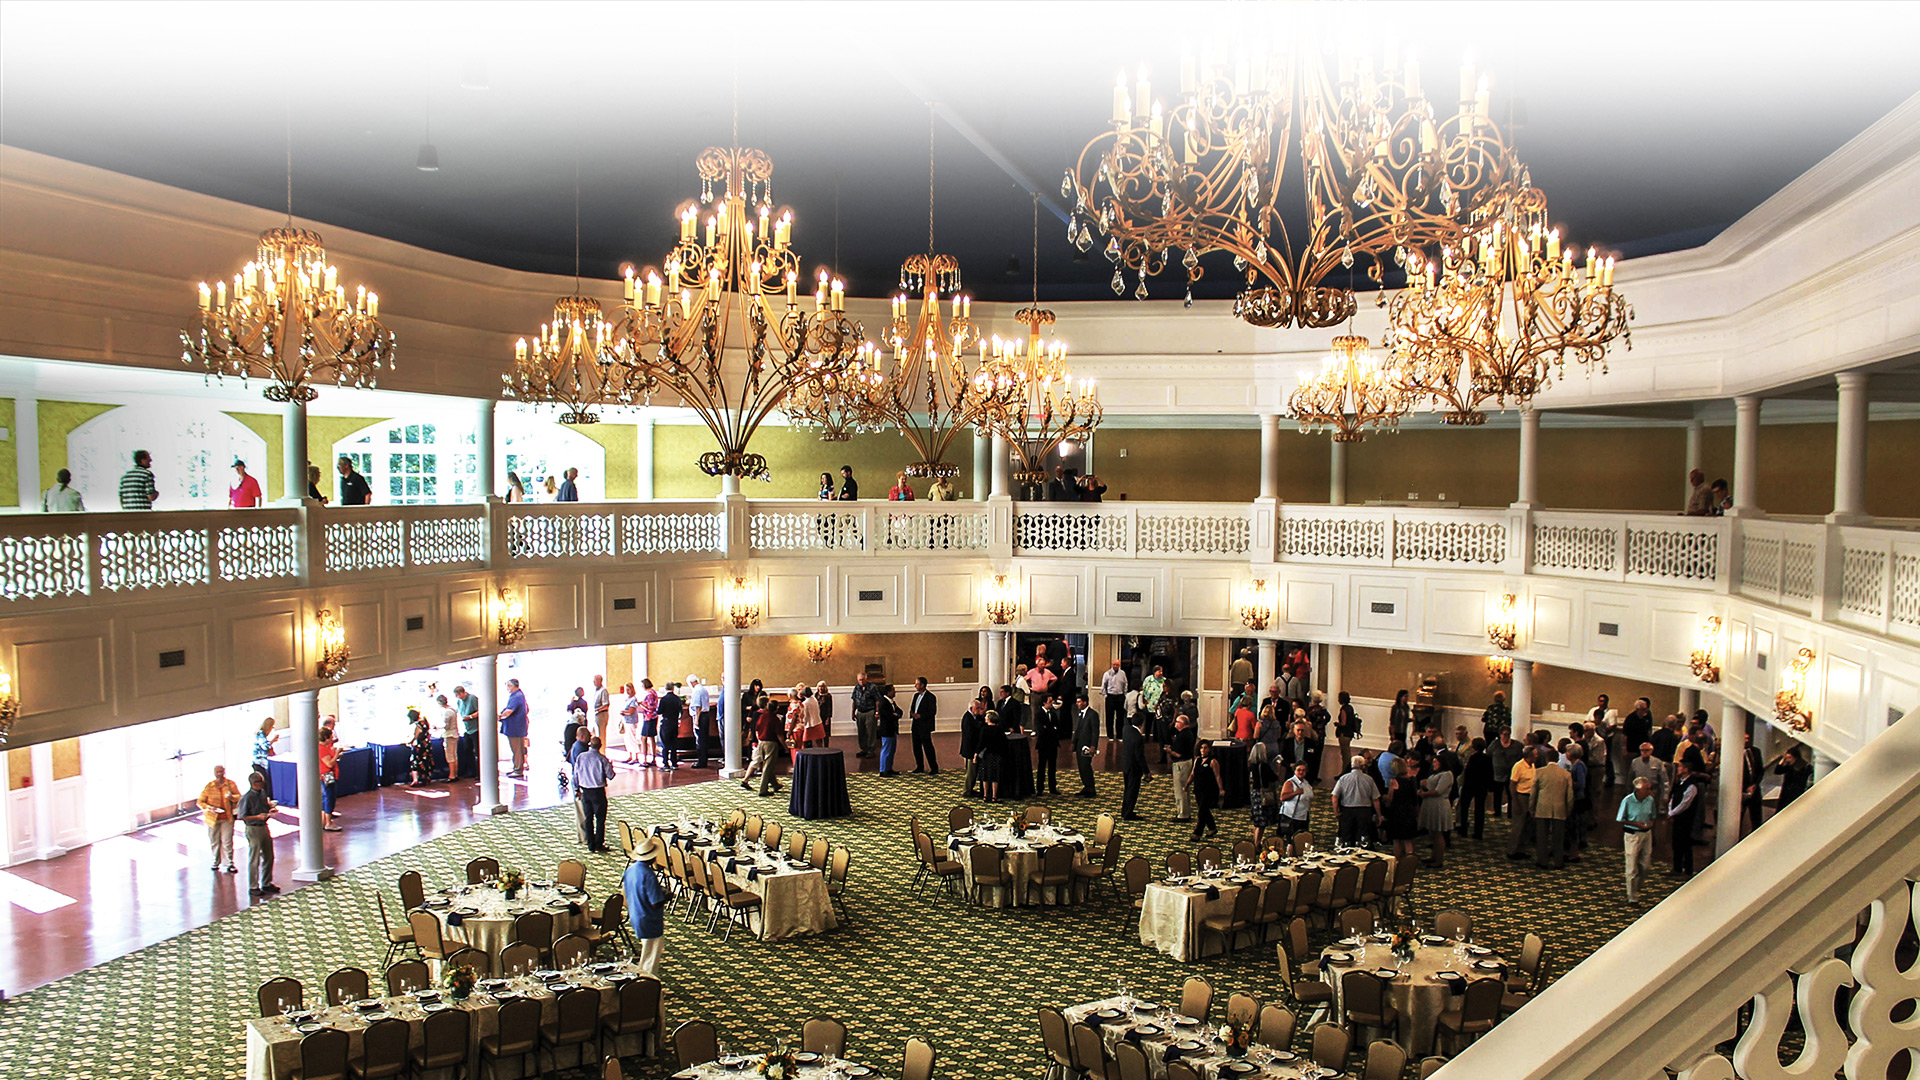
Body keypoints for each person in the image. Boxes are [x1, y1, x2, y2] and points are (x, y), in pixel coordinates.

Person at [623, 836, 670, 976]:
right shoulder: (648, 875)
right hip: (649, 919)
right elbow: (655, 902)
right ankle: (647, 986)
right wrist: (667, 896)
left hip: (636, 914)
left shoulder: (631, 870)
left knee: (646, 953)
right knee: (651, 958)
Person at [238, 772, 279, 898]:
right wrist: (257, 816)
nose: (262, 784)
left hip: (263, 827)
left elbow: (265, 806)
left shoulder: (262, 793)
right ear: (254, 783)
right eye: (260, 782)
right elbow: (243, 816)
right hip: (253, 828)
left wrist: (270, 809)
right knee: (254, 857)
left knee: (269, 855)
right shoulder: (247, 798)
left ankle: (266, 882)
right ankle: (253, 886)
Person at [1531, 748, 1574, 869]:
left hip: (1542, 807)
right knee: (1558, 837)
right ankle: (1558, 861)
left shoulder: (1539, 772)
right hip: (1560, 808)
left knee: (1542, 836)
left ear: (1546, 759)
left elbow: (1533, 793)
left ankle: (1542, 861)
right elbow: (1570, 795)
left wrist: (1532, 808)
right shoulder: (1566, 774)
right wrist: (1568, 809)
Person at [1618, 777, 1658, 905]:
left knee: (1645, 866)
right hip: (1632, 835)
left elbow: (1653, 816)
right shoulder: (1628, 801)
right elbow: (1621, 819)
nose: (1650, 791)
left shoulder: (1650, 800)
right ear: (1639, 790)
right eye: (1647, 789)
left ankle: (1637, 886)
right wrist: (1636, 824)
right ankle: (1632, 897)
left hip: (1647, 834)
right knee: (1631, 866)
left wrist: (1650, 824)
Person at [197, 764, 241, 873]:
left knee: (227, 841)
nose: (220, 774)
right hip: (213, 819)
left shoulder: (230, 784)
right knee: (214, 841)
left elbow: (239, 797)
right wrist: (209, 808)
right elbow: (200, 801)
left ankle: (230, 862)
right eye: (217, 772)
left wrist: (232, 797)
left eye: (221, 772)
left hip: (227, 817)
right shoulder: (209, 787)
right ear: (214, 773)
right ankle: (215, 862)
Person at [573, 736, 613, 851]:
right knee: (600, 819)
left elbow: (575, 775)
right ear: (600, 746)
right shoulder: (602, 758)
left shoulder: (581, 757)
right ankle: (599, 843)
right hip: (598, 791)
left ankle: (590, 844)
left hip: (585, 791)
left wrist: (576, 789)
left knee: (588, 818)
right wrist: (611, 766)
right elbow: (611, 775)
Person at [742, 694, 786, 796]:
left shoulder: (761, 716)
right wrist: (785, 747)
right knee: (768, 766)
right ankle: (763, 789)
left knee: (767, 764)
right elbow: (779, 735)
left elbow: (756, 730)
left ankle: (775, 785)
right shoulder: (775, 719)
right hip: (770, 743)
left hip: (760, 742)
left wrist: (758, 741)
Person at [1333, 755, 1380, 848]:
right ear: (1363, 766)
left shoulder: (1343, 779)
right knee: (1363, 839)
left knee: (1347, 838)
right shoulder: (1369, 779)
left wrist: (1336, 812)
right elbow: (1376, 799)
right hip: (1364, 812)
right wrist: (1379, 815)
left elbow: (1335, 797)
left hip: (1347, 811)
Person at [1668, 761, 1703, 878]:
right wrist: (1670, 810)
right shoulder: (1680, 783)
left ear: (1686, 769)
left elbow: (1685, 803)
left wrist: (1673, 812)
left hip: (1686, 819)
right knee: (1676, 843)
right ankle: (1677, 868)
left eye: (1680, 767)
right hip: (1677, 819)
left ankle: (1688, 870)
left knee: (1685, 844)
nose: (1678, 769)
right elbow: (1673, 797)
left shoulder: (1691, 785)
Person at [1418, 756, 1454, 867]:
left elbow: (1438, 791)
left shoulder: (1447, 774)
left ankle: (1438, 860)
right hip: (1431, 804)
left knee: (1438, 833)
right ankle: (1433, 856)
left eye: (1436, 762)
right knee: (1432, 833)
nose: (1434, 764)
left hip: (1439, 805)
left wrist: (1424, 793)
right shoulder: (1437, 773)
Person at [1507, 745, 1538, 859]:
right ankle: (1512, 850)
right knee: (1518, 826)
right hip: (1520, 797)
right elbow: (1512, 785)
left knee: (1527, 826)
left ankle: (1522, 849)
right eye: (1535, 754)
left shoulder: (1533, 765)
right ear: (1529, 756)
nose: (1537, 756)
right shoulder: (1518, 766)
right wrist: (1515, 802)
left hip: (1530, 797)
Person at [1458, 737, 1493, 839]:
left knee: (1464, 808)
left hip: (1470, 785)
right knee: (1479, 810)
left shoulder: (1472, 758)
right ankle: (1478, 832)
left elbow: (1468, 773)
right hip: (1482, 787)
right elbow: (1490, 773)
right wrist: (1489, 786)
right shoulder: (1488, 758)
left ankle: (1463, 829)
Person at [1187, 740, 1221, 841]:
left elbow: (1218, 776)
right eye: (1201, 748)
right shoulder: (1197, 760)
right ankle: (1212, 827)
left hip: (1208, 790)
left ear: (1209, 749)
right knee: (1204, 810)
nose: (1203, 750)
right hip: (1198, 789)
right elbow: (1193, 774)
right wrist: (1187, 785)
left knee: (1202, 811)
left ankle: (1198, 833)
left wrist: (1221, 789)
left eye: (1205, 748)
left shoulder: (1213, 761)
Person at [1168, 713, 1198, 821]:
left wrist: (1169, 751)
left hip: (1182, 764)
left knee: (1181, 790)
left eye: (1177, 722)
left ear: (1182, 724)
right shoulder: (1186, 733)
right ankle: (1184, 812)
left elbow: (1179, 754)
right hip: (1185, 763)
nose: (1175, 723)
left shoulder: (1184, 735)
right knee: (1182, 789)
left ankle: (1183, 814)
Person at [1119, 711, 1148, 820]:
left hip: (1126, 764)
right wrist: (1147, 772)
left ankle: (1125, 810)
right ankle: (1128, 813)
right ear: (1142, 724)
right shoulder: (1138, 737)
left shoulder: (1126, 730)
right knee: (1132, 790)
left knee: (1127, 789)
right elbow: (1140, 757)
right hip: (1134, 768)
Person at [499, 678, 529, 778]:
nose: (507, 688)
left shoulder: (516, 697)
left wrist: (500, 717)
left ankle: (518, 769)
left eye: (508, 686)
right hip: (517, 727)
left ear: (512, 686)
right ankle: (517, 767)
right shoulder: (519, 695)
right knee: (517, 749)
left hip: (515, 728)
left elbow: (509, 711)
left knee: (517, 750)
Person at [1072, 691, 1101, 798]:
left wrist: (1093, 746)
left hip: (1087, 746)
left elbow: (1095, 732)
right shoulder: (1081, 714)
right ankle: (1086, 787)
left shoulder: (1093, 714)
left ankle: (1091, 789)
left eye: (1079, 702)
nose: (1077, 704)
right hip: (1080, 744)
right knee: (1081, 767)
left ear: (1085, 702)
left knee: (1086, 767)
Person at [908, 676, 939, 774]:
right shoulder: (916, 696)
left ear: (922, 685)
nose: (915, 686)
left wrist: (921, 716)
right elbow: (913, 707)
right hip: (916, 724)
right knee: (916, 746)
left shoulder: (931, 697)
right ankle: (919, 766)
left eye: (917, 684)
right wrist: (912, 714)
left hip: (925, 725)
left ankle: (934, 767)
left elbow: (932, 711)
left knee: (927, 746)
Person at [1277, 762, 1313, 840]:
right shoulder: (1290, 783)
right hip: (1291, 817)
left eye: (1303, 770)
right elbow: (1283, 797)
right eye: (1299, 770)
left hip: (1303, 816)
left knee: (1301, 839)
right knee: (1291, 840)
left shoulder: (1306, 783)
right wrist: (1296, 793)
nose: (1301, 772)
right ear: (1294, 771)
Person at [960, 697, 988, 799]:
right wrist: (975, 752)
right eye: (978, 708)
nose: (980, 710)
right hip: (970, 750)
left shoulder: (974, 717)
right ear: (972, 708)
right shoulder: (968, 718)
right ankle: (967, 791)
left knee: (973, 771)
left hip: (972, 749)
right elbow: (970, 737)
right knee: (971, 772)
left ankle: (970, 789)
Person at [317, 726, 343, 831]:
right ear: (326, 738)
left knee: (326, 797)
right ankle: (328, 821)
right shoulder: (322, 749)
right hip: (326, 776)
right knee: (329, 797)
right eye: (331, 737)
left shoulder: (326, 747)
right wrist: (337, 754)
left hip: (328, 775)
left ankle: (324, 819)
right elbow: (329, 763)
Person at [1772, 747, 1812, 813]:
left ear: (1796, 757)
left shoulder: (1805, 767)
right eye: (1786, 758)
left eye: (1789, 757)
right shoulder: (1789, 766)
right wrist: (1782, 761)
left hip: (1796, 793)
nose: (1788, 760)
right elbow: (1777, 771)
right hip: (1786, 793)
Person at [875, 684, 902, 776]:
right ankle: (883, 770)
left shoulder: (891, 702)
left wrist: (896, 715)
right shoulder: (883, 702)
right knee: (886, 750)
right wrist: (895, 715)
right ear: (888, 692)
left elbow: (900, 711)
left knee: (891, 750)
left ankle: (889, 768)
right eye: (893, 690)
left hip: (892, 730)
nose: (895, 692)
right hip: (887, 730)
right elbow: (889, 716)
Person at [852, 671, 880, 759]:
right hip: (860, 712)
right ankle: (864, 749)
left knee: (871, 731)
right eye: (859, 680)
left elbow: (877, 700)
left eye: (863, 679)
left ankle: (871, 750)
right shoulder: (857, 688)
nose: (861, 681)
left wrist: (877, 712)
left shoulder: (872, 687)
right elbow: (854, 700)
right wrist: (853, 712)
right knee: (861, 731)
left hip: (870, 711)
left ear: (866, 679)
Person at [687, 676, 713, 768]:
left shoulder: (696, 691)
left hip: (700, 716)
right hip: (706, 715)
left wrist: (696, 720)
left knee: (700, 739)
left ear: (691, 683)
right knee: (704, 739)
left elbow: (698, 706)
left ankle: (701, 762)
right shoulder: (703, 689)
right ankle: (703, 760)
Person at [656, 683, 683, 768]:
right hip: (674, 722)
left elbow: (659, 711)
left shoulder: (664, 699)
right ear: (673, 688)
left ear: (665, 688)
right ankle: (674, 763)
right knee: (674, 744)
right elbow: (680, 711)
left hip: (666, 722)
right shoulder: (677, 699)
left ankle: (666, 764)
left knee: (665, 744)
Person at [1100, 659, 1129, 740]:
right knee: (1109, 717)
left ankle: (1119, 735)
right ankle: (1110, 736)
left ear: (1119, 665)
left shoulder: (1123, 673)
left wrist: (1125, 694)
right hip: (1110, 697)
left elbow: (1125, 684)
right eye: (1114, 664)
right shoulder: (1107, 673)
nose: (1115, 666)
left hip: (1120, 697)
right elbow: (1103, 685)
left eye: (1117, 665)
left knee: (1120, 717)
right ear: (1112, 665)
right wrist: (1105, 695)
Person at [251, 716, 279, 796]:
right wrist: (273, 740)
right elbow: (265, 746)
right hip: (259, 763)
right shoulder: (260, 734)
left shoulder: (263, 735)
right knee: (264, 783)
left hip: (263, 763)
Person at [407, 709, 435, 786]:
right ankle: (426, 778)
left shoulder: (418, 725)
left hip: (419, 745)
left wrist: (409, 741)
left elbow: (416, 736)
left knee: (415, 761)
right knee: (426, 761)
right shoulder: (425, 721)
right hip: (427, 744)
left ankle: (415, 779)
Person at [435, 695, 459, 781]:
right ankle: (455, 774)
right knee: (454, 755)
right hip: (454, 734)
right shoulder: (452, 710)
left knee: (450, 756)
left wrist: (436, 727)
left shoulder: (447, 712)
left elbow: (446, 725)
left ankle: (452, 776)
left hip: (449, 735)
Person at [637, 678, 660, 767]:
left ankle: (645, 759)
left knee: (644, 738)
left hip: (649, 718)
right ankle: (653, 758)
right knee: (652, 738)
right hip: (653, 717)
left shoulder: (649, 694)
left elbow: (650, 707)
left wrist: (641, 706)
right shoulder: (653, 692)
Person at [617, 682, 640, 764]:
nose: (627, 691)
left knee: (632, 739)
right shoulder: (626, 699)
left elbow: (631, 711)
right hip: (625, 721)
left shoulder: (634, 699)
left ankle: (636, 757)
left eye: (628, 689)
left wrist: (624, 712)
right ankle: (630, 755)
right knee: (627, 739)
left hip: (631, 721)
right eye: (626, 689)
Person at [591, 674, 611, 749]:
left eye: (595, 680)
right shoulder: (597, 691)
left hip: (602, 715)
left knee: (601, 735)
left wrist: (598, 709)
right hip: (597, 714)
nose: (593, 682)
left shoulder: (603, 691)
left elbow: (606, 704)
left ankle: (602, 752)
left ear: (600, 681)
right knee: (595, 733)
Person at [815, 681, 834, 749]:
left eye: (822, 686)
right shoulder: (816, 695)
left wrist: (828, 718)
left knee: (826, 734)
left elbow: (830, 707)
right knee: (818, 733)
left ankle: (826, 747)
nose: (821, 688)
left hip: (825, 716)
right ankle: (820, 747)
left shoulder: (828, 696)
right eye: (819, 686)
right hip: (817, 717)